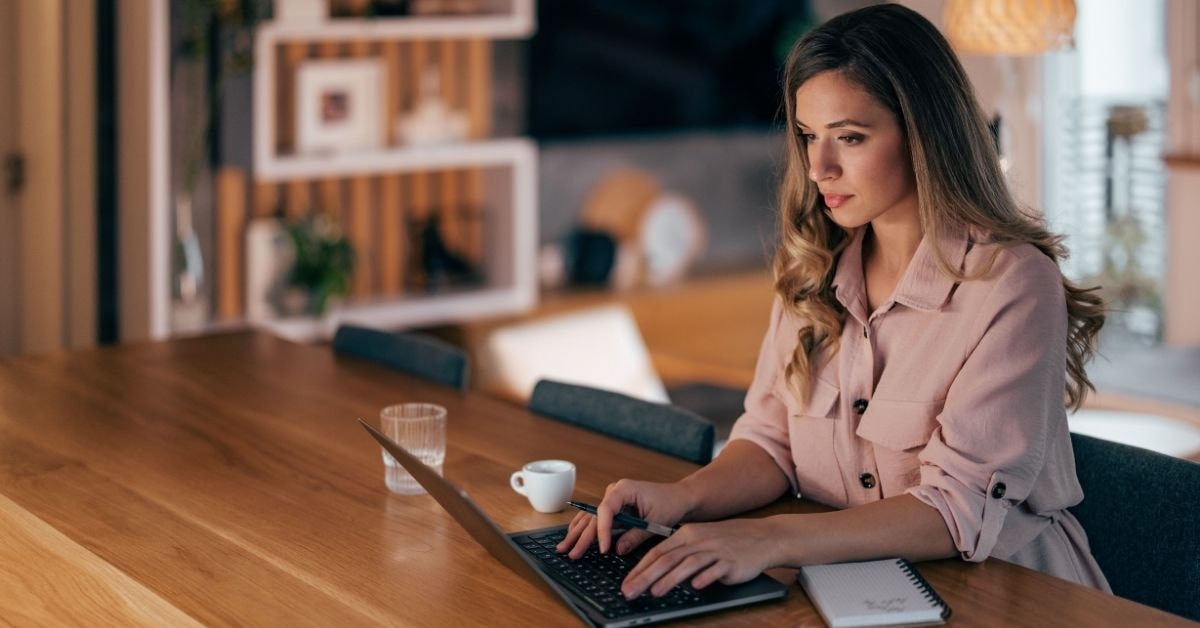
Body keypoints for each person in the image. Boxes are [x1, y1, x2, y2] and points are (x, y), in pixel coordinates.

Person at [557, 2, 1111, 601]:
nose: (819, 168)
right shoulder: (809, 267)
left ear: (923, 133)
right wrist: (680, 498)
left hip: (1011, 595)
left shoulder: (1010, 284)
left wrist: (769, 540)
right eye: (807, 136)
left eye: (850, 137)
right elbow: (771, 440)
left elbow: (955, 509)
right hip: (851, 587)